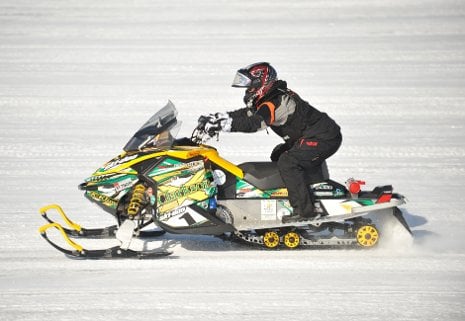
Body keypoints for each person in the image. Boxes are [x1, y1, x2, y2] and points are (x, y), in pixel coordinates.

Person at [198, 62, 342, 223]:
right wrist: (218, 118)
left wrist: (225, 125)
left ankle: (305, 212)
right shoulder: (269, 98)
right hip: (311, 136)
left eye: (251, 86)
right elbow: (247, 114)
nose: (248, 90)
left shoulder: (276, 102)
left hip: (324, 137)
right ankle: (305, 190)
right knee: (279, 154)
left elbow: (255, 122)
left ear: (262, 82)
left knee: (288, 162)